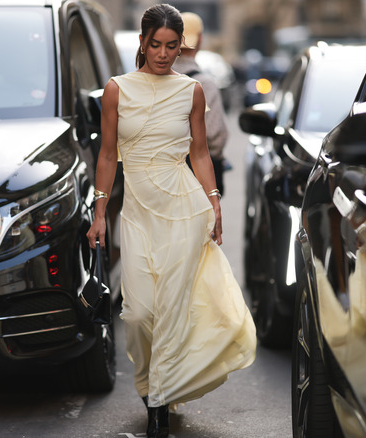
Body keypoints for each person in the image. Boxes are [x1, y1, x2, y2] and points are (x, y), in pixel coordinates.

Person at [85, 4, 256, 438]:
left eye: (172, 45)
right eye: (156, 44)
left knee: (172, 312)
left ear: (182, 47)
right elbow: (107, 154)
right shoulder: (116, 90)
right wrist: (100, 212)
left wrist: (214, 202)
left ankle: (158, 405)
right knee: (139, 314)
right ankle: (152, 385)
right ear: (142, 43)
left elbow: (200, 152)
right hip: (138, 214)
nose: (163, 53)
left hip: (184, 210)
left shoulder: (192, 91)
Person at [173, 11, 229, 196]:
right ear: (200, 39)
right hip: (198, 179)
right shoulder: (205, 84)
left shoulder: (155, 79)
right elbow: (215, 135)